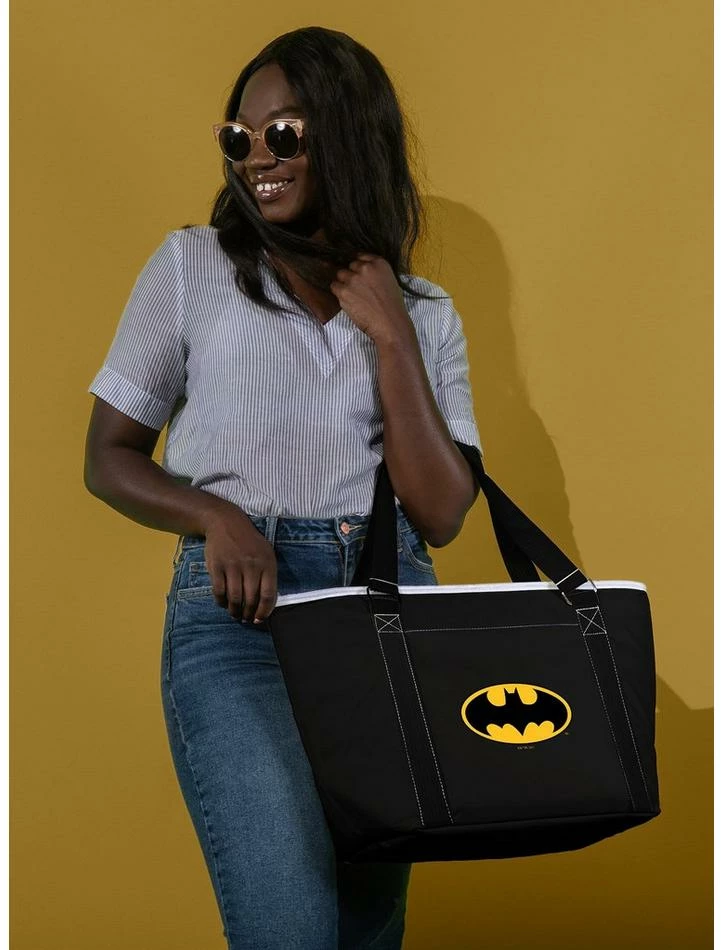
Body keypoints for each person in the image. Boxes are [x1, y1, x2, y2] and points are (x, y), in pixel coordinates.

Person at [83, 26, 483, 950]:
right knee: (288, 926)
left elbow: (441, 512)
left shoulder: (425, 313)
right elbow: (109, 455)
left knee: (363, 931)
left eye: (284, 133)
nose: (257, 157)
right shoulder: (192, 268)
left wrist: (392, 335)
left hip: (385, 620)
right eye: (240, 137)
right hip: (240, 622)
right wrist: (214, 514)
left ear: (347, 133)